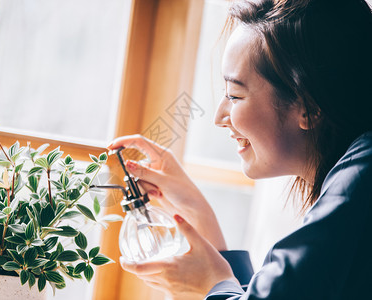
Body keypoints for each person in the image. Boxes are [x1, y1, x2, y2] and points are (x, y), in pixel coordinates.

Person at [106, 0, 372, 298]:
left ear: (309, 107)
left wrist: (212, 283)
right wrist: (198, 212)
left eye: (234, 95)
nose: (220, 117)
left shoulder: (360, 180)